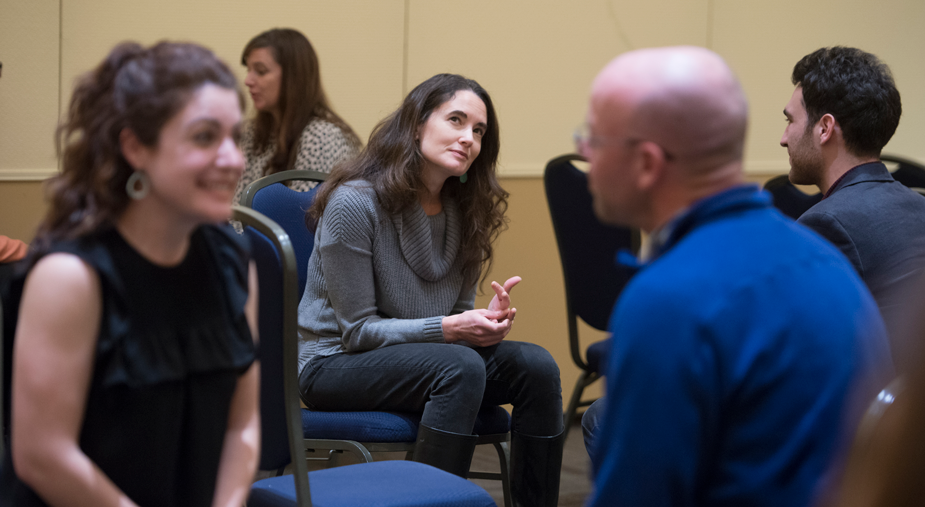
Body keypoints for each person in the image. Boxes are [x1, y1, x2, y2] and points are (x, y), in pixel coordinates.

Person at [580, 46, 893, 507]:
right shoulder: (823, 261)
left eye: (594, 139)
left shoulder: (668, 299)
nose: (584, 153)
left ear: (647, 164)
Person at [0, 42, 259, 506]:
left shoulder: (233, 262)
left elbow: (243, 424)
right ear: (136, 147)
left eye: (234, 138)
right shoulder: (70, 277)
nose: (233, 159)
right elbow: (42, 453)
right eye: (204, 137)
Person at [297, 73, 564, 506]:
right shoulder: (354, 203)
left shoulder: (467, 211)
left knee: (536, 365)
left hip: (428, 360)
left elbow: (454, 317)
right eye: (456, 120)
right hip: (333, 363)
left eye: (478, 131)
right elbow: (357, 332)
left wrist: (483, 323)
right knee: (458, 366)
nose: (468, 138)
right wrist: (451, 330)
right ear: (417, 124)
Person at [780, 46, 925, 368]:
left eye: (790, 120)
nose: (784, 138)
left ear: (824, 128)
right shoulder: (920, 206)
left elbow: (806, 357)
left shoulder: (825, 224)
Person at [233, 28, 360, 204]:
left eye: (260, 71)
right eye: (248, 69)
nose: (248, 80)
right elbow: (236, 206)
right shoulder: (252, 132)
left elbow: (300, 221)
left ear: (292, 78)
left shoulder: (322, 137)